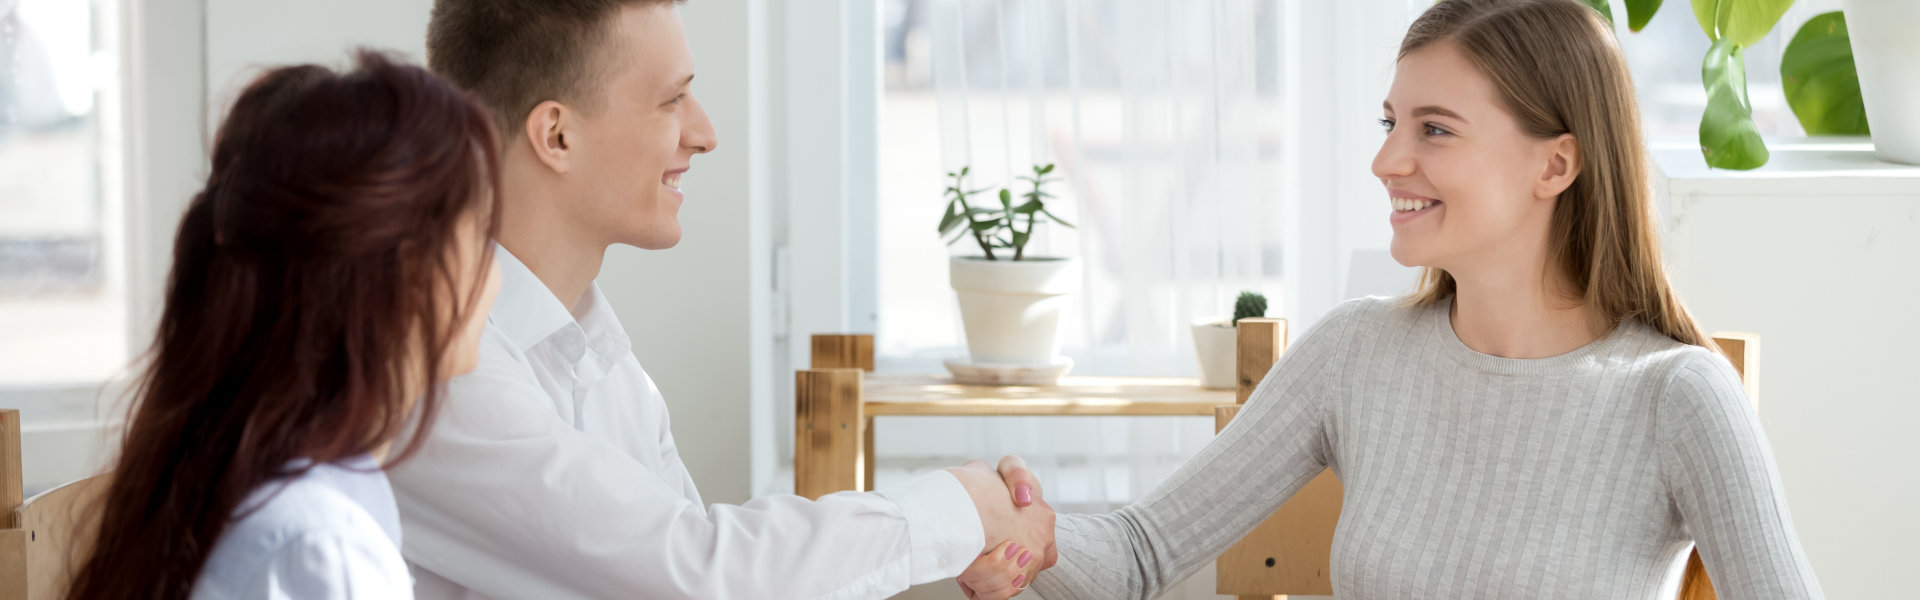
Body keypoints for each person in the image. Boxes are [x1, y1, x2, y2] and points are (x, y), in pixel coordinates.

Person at [977, 0, 1823, 597]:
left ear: (1555, 166)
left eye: (1436, 129)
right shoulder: (1356, 354)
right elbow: (1138, 552)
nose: (1388, 161)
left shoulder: (1676, 396)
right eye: (1391, 123)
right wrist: (1016, 533)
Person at [386, 1, 1054, 598]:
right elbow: (696, 574)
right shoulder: (432, 363)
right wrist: (964, 506)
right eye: (671, 100)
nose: (704, 133)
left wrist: (956, 557)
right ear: (556, 135)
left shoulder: (595, 351)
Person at [67, 50, 505, 600]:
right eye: (481, 234)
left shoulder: (269, 488)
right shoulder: (317, 548)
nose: (497, 272)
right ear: (410, 275)